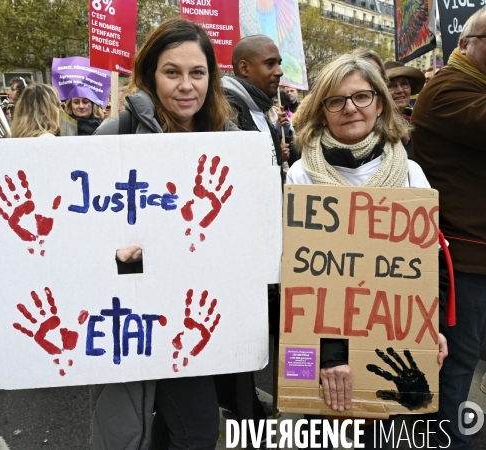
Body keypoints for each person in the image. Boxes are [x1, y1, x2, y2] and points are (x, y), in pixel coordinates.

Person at [288, 53, 449, 449]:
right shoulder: (300, 176)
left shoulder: (410, 172)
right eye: (336, 100)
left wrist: (432, 327)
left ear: (379, 102)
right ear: (322, 110)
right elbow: (303, 279)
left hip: (395, 346)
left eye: (361, 97)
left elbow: (427, 261)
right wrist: (331, 356)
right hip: (328, 357)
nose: (350, 109)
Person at [92, 17, 237, 450]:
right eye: (172, 72)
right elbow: (83, 238)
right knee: (194, 430)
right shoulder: (114, 135)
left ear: (211, 77)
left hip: (208, 309)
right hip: (143, 312)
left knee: (175, 425)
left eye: (197, 72)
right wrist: (120, 256)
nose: (186, 85)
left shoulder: (229, 140)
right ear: (151, 75)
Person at [412, 7, 486, 449]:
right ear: (464, 43)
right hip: (463, 261)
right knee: (455, 368)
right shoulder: (446, 90)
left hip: (475, 256)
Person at [222, 35, 296, 171]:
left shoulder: (261, 111)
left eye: (279, 64)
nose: (280, 72)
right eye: (270, 64)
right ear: (244, 68)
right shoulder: (224, 112)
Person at [384, 61, 425, 158]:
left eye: (405, 83)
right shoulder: (377, 128)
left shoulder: (414, 121)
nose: (400, 90)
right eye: (391, 85)